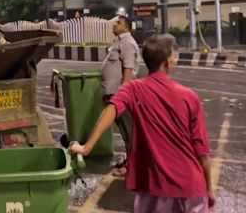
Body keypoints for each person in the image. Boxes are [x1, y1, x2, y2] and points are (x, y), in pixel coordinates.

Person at [71, 35, 214, 213]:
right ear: (168, 61)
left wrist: (86, 148)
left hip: (152, 188)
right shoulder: (189, 97)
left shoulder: (132, 89)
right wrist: (209, 188)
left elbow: (110, 109)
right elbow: (201, 151)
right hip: (190, 188)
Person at [101, 12, 140, 175]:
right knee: (125, 131)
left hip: (120, 95)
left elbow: (128, 70)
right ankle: (129, 161)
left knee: (129, 131)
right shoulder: (119, 41)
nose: (114, 24)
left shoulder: (127, 43)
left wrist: (123, 96)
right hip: (115, 94)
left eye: (118, 22)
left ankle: (132, 166)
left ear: (126, 27)